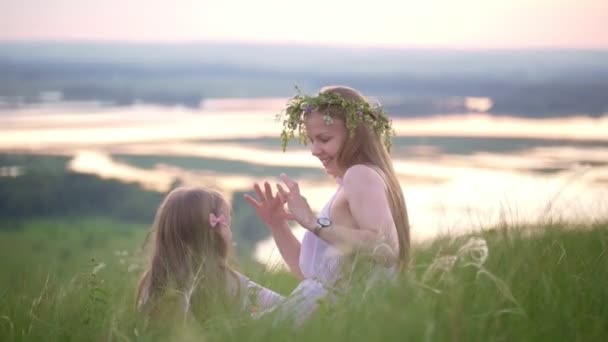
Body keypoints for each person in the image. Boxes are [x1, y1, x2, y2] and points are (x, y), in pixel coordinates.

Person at [244, 85, 410, 324]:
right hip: (316, 309)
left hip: (331, 317)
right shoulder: (352, 182)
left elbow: (384, 248)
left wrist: (313, 222)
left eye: (324, 139)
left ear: (354, 136)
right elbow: (311, 275)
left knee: (225, 290)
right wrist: (277, 224)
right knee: (227, 285)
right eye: (311, 140)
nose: (314, 150)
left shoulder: (360, 175)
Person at [136, 186, 284, 322]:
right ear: (215, 232)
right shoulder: (227, 280)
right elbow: (286, 305)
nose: (231, 234)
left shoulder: (153, 281)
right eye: (228, 225)